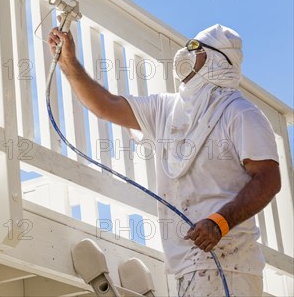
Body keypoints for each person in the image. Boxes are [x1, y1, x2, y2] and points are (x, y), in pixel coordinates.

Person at [48, 23, 281, 296]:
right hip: (186, 265)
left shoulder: (240, 113)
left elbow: (268, 179)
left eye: (196, 48)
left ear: (217, 59)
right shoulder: (166, 109)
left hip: (231, 266)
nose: (186, 52)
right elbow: (106, 106)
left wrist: (220, 222)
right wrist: (69, 63)